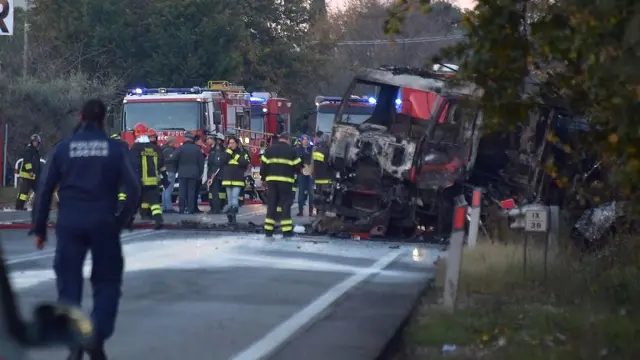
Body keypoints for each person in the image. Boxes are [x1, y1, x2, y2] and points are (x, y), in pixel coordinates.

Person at [30, 98, 140, 360]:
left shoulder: (63, 149)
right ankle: (96, 335)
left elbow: (45, 190)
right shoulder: (115, 149)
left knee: (69, 286)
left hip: (69, 224)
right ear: (103, 120)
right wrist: (121, 221)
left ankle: (74, 340)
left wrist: (40, 229)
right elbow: (134, 189)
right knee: (107, 283)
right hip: (103, 223)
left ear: (80, 117)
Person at [260, 132, 302, 237]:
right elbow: (298, 166)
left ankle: (268, 230)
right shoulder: (291, 151)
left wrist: (263, 178)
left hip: (271, 182)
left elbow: (263, 166)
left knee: (272, 205)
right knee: (285, 205)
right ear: (287, 139)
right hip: (286, 182)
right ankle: (286, 231)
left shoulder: (269, 150)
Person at [130, 124, 167, 229]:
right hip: (153, 180)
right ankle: (158, 220)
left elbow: (134, 164)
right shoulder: (154, 148)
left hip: (140, 180)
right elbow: (161, 164)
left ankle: (128, 221)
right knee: (154, 203)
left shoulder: (135, 148)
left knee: (134, 202)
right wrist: (164, 178)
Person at [173, 133, 204, 214]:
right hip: (194, 174)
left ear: (185, 139)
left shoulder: (180, 148)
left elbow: (174, 158)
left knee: (182, 192)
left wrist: (177, 169)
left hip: (182, 173)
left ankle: (181, 209)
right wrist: (201, 173)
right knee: (191, 192)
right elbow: (201, 162)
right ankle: (191, 209)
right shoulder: (197, 149)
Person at [221, 136, 249, 223]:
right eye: (230, 143)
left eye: (233, 143)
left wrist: (235, 156)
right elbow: (222, 161)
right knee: (229, 201)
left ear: (237, 144)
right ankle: (231, 218)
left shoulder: (242, 152)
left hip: (238, 179)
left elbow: (245, 162)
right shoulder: (226, 152)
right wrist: (229, 152)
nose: (231, 145)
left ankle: (233, 215)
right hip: (227, 180)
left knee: (234, 198)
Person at [15, 134, 42, 211]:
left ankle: (41, 207)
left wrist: (40, 174)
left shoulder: (36, 152)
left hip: (35, 177)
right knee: (23, 193)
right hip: (27, 176)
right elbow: (27, 162)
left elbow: (37, 164)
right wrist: (30, 171)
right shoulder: (29, 150)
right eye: (34, 142)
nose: (35, 143)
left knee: (39, 192)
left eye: (36, 142)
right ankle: (19, 207)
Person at [312, 134, 333, 215]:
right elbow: (330, 164)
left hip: (317, 178)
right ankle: (323, 213)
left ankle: (317, 211)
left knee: (318, 196)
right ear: (327, 141)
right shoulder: (329, 151)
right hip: (326, 178)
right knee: (325, 197)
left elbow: (314, 164)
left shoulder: (317, 150)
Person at [206, 133, 225, 214]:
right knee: (212, 191)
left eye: (208, 139)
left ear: (213, 140)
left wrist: (212, 175)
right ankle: (214, 207)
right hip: (213, 173)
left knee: (215, 191)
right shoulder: (213, 149)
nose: (207, 141)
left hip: (215, 174)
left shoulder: (217, 150)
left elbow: (217, 163)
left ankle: (216, 209)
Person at [296, 135, 314, 216]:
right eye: (304, 140)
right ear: (302, 141)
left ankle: (311, 211)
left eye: (307, 140)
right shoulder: (298, 150)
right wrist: (300, 169)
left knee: (311, 193)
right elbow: (296, 161)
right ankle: (300, 211)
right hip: (302, 173)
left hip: (310, 173)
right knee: (301, 192)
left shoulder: (312, 149)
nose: (306, 141)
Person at [161, 137, 178, 213]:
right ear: (171, 143)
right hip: (170, 171)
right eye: (174, 142)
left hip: (165, 171)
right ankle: (169, 208)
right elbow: (172, 159)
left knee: (164, 190)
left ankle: (164, 207)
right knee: (169, 189)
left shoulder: (162, 149)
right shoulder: (170, 150)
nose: (175, 144)